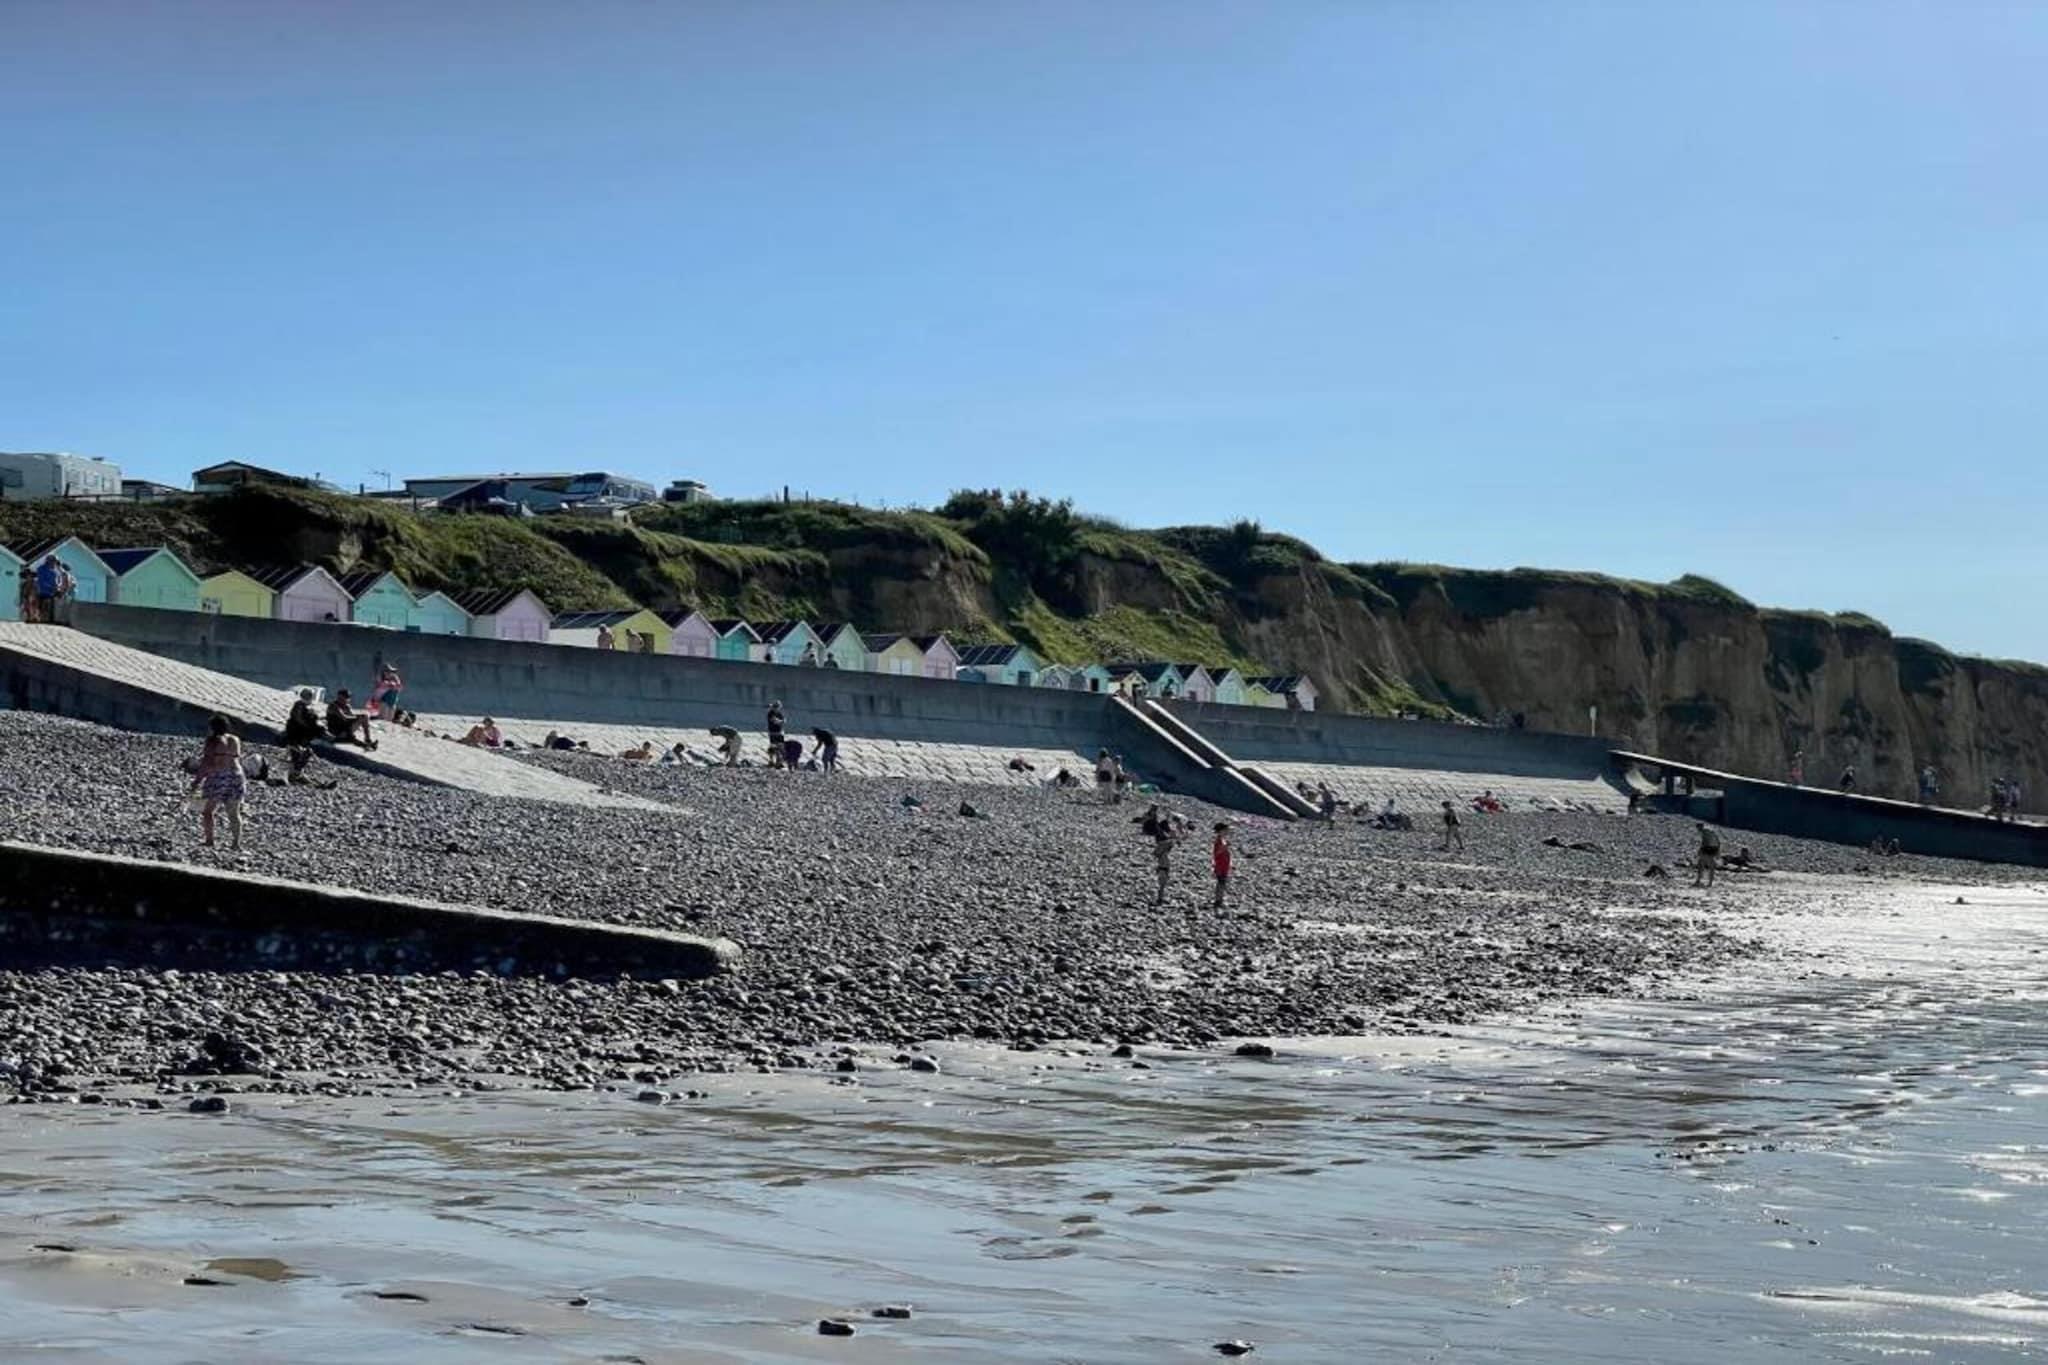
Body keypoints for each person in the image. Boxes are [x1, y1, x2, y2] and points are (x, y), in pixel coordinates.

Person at [189, 714, 247, 849]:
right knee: (234, 813)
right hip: (237, 775)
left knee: (208, 811)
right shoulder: (235, 739)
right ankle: (236, 843)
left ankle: (209, 840)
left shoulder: (212, 741)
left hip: (219, 775)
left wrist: (197, 781)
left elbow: (206, 762)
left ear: (212, 727)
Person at [283, 687, 324, 781]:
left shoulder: (303, 706)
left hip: (300, 735)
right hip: (296, 734)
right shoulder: (299, 706)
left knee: (303, 753)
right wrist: (309, 725)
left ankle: (297, 773)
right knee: (300, 753)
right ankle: (295, 773)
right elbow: (298, 720)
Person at [32, 555, 61, 624]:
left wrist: (58, 587)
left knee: (53, 607)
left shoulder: (55, 571)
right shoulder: (41, 569)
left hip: (52, 593)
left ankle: (50, 619)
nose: (54, 564)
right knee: (40, 605)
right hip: (42, 591)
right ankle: (36, 617)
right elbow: (41, 581)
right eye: (53, 562)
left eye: (55, 562)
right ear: (48, 561)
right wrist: (51, 587)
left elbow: (57, 581)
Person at [1210, 822, 1232, 908]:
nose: (1227, 832)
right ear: (1220, 831)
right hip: (1220, 865)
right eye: (1225, 830)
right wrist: (1225, 847)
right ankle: (1218, 900)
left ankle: (1220, 899)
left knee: (1222, 882)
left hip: (1224, 865)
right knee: (1221, 882)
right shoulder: (1218, 840)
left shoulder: (1222, 840)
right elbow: (1217, 853)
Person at [1694, 822, 1722, 887]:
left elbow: (1705, 842)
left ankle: (1698, 881)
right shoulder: (1710, 830)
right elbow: (1717, 840)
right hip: (1714, 848)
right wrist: (1718, 851)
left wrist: (1700, 850)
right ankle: (1710, 883)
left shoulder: (1704, 832)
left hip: (1709, 848)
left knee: (1701, 863)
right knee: (1711, 865)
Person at [766, 701, 787, 768]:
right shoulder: (770, 713)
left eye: (778, 707)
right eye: (776, 707)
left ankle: (779, 762)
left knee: (780, 748)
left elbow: (784, 720)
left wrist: (781, 721)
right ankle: (771, 761)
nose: (777, 708)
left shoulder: (780, 713)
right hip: (773, 733)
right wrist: (781, 721)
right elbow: (775, 721)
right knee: (773, 747)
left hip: (780, 732)